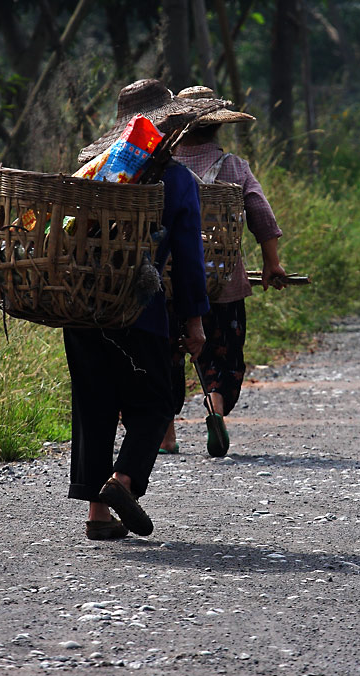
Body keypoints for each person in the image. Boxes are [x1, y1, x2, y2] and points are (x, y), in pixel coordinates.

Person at [63, 79, 225, 540]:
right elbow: (190, 260)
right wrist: (195, 320)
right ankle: (122, 481)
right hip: (139, 308)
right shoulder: (176, 180)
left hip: (80, 307)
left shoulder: (94, 172)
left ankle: (98, 516)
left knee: (93, 405)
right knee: (157, 402)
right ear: (169, 127)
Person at [159, 86, 287, 457]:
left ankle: (166, 436)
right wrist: (271, 263)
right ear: (218, 128)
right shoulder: (233, 166)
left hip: (169, 281)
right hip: (223, 281)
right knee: (223, 354)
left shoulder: (161, 167)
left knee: (167, 355)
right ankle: (214, 408)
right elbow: (261, 214)